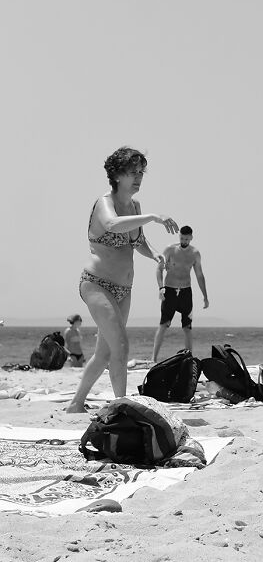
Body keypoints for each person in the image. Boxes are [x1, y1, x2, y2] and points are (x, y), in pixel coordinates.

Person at [66, 147, 178, 413]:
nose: (138, 177)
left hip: (123, 289)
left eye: (141, 172)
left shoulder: (134, 206)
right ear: (117, 175)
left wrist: (154, 255)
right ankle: (122, 407)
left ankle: (75, 404)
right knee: (122, 345)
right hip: (96, 283)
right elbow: (114, 225)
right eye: (132, 172)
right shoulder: (105, 203)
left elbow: (136, 240)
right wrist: (153, 217)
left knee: (104, 352)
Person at [152, 225, 209, 361]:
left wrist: (205, 296)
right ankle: (153, 359)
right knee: (163, 325)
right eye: (182, 238)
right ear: (179, 236)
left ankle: (188, 359)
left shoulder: (195, 253)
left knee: (187, 327)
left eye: (187, 239)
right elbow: (159, 270)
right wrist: (161, 288)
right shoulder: (170, 250)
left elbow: (199, 275)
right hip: (169, 291)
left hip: (185, 292)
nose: (184, 241)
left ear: (191, 238)